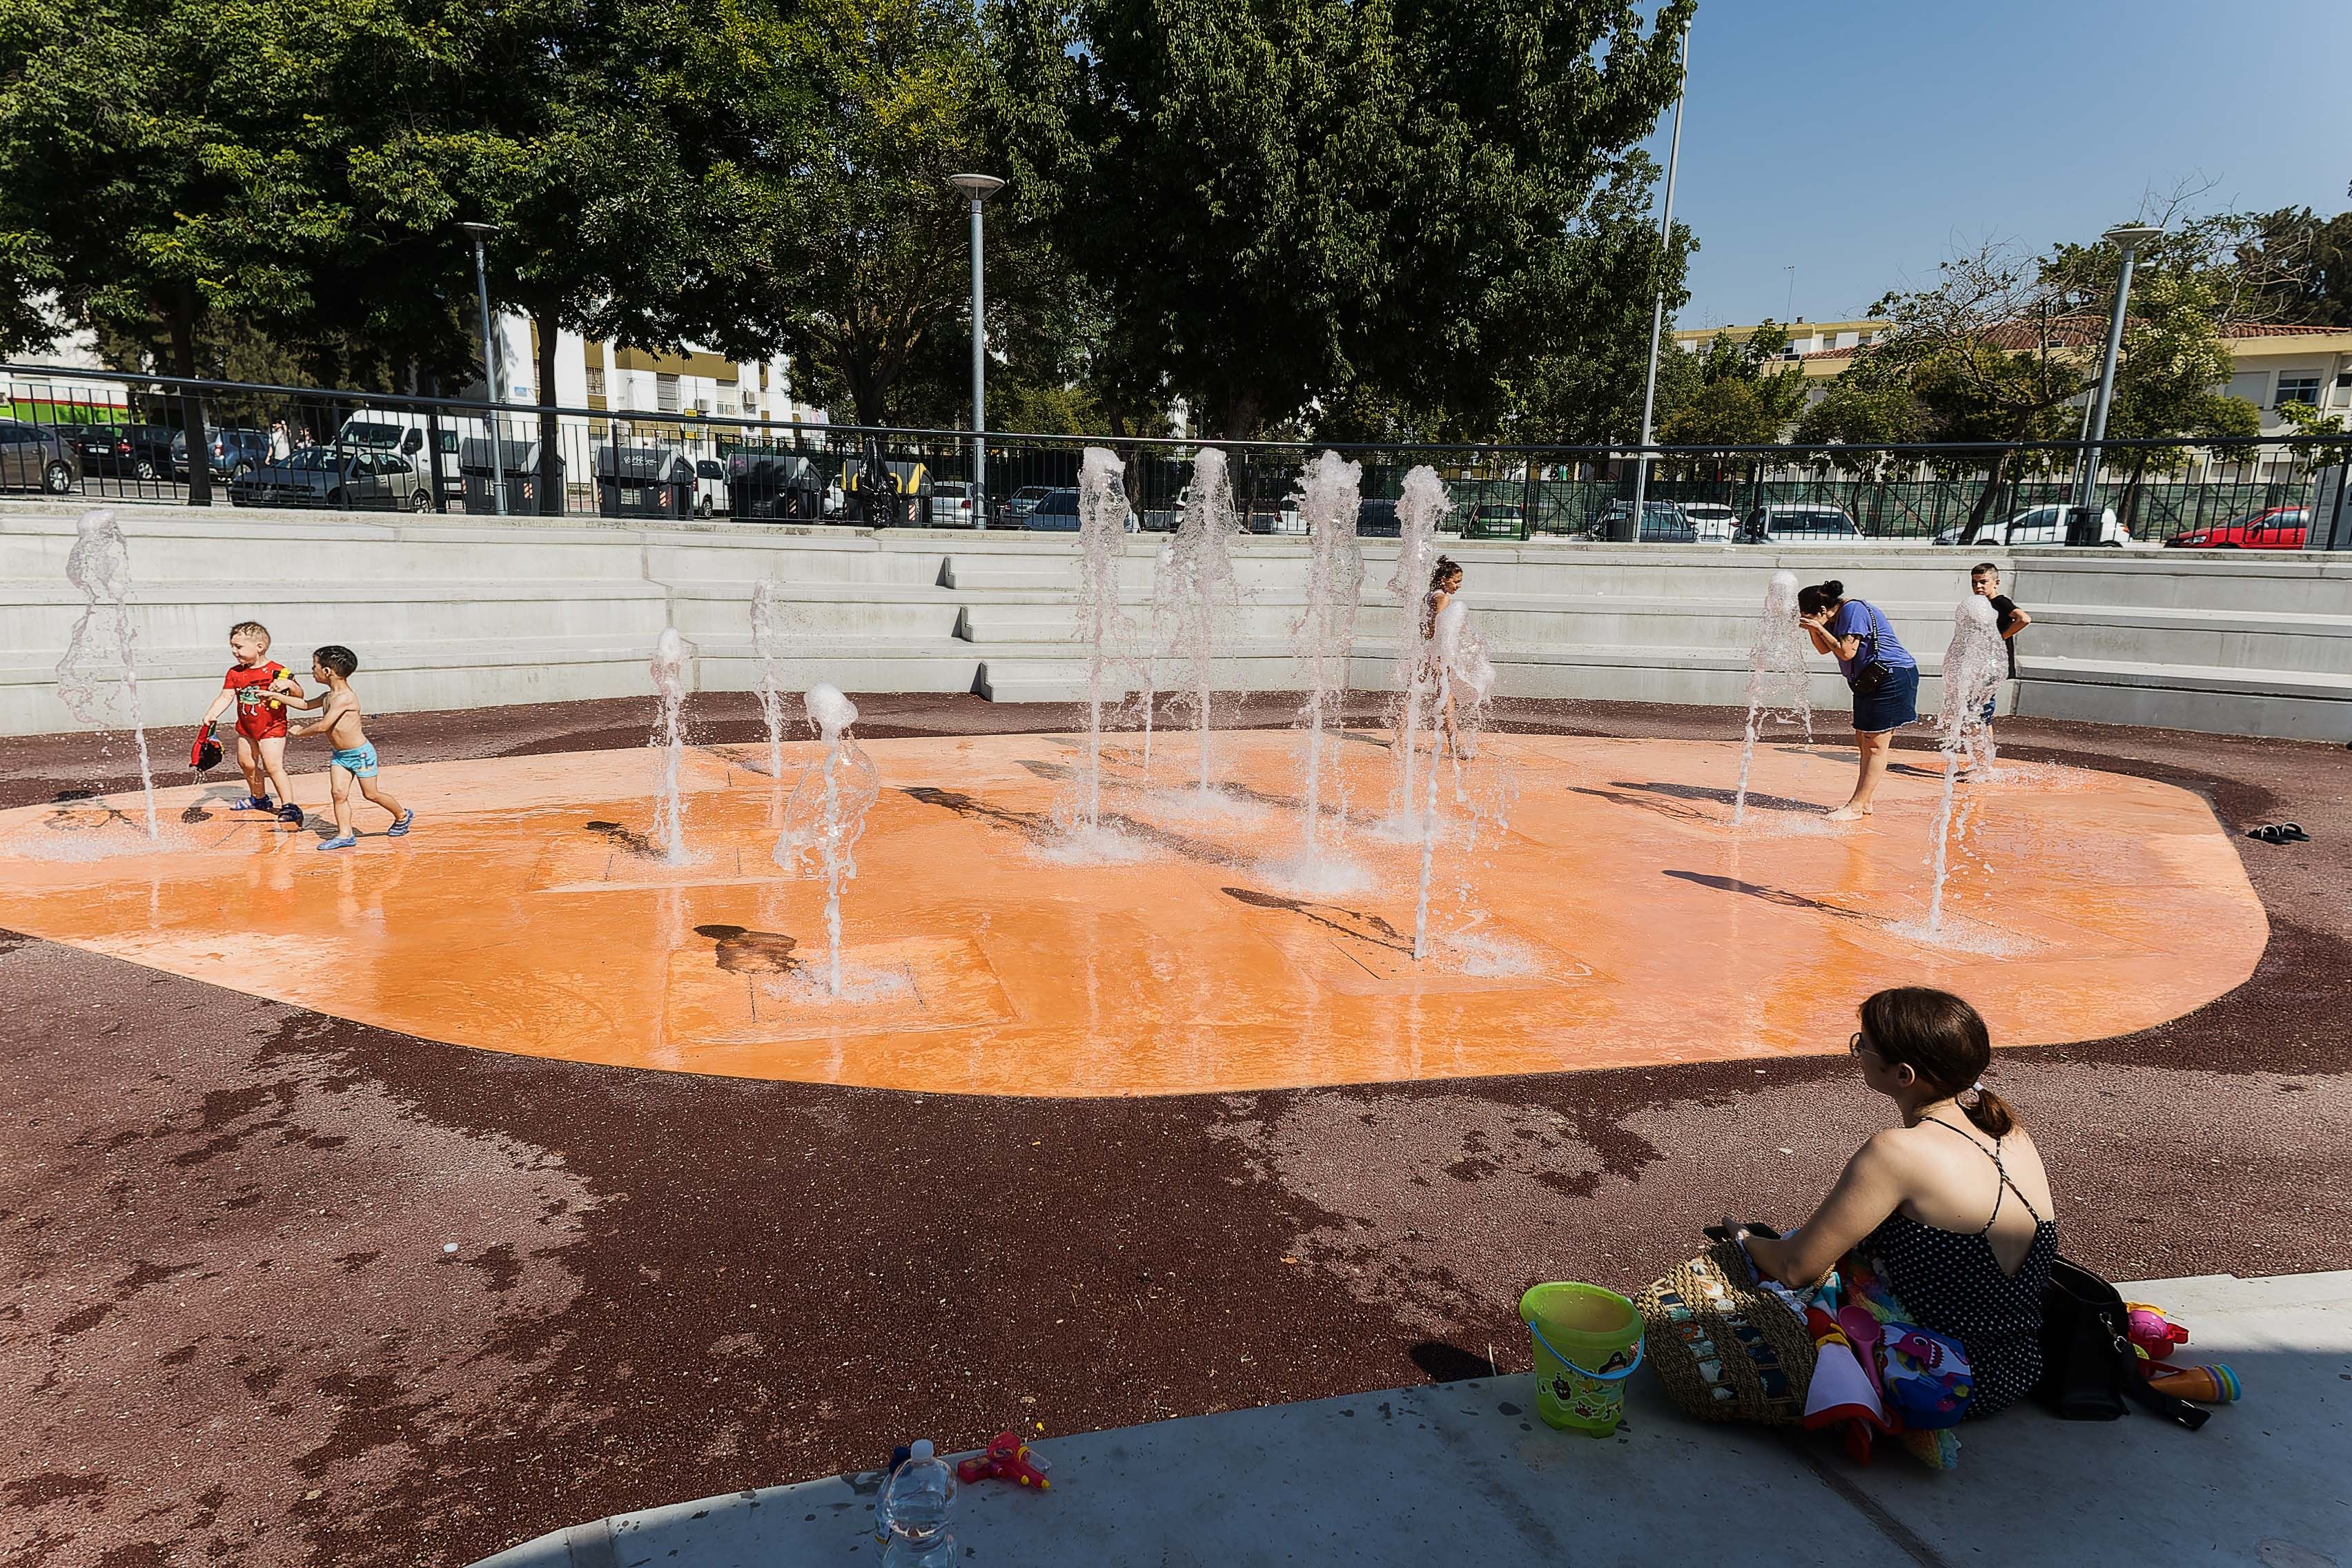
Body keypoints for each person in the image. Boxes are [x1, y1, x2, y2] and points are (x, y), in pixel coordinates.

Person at [1738, 987, 2056, 1418]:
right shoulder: (2012, 1136)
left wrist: (1745, 1239)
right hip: (2014, 1370)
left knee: (1748, 1280)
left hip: (1929, 1381)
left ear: (1904, 1075)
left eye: (1862, 1045)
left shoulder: (1897, 1152)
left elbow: (1796, 1268)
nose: (1859, 1053)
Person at [273, 645, 414, 851]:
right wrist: (275, 696)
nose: (313, 671)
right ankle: (345, 834)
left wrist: (300, 732)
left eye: (315, 667)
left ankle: (402, 815)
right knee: (338, 793)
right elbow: (304, 704)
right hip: (341, 756)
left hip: (360, 754)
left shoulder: (345, 698)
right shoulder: (328, 696)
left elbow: (323, 726)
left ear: (327, 671)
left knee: (371, 794)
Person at [1797, 579, 1918, 820]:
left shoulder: (1853, 610)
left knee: (1875, 744)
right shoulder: (1833, 618)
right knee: (1864, 740)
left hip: (1891, 677)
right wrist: (1815, 628)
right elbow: (1824, 649)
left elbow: (1846, 651)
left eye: (1809, 616)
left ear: (1822, 610)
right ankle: (1865, 800)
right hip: (1869, 681)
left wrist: (1819, 628)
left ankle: (1856, 806)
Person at [195, 621, 304, 824]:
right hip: (246, 729)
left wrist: (289, 684)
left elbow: (299, 696)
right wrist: (212, 713)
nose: (234, 651)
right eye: (232, 647)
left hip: (272, 728)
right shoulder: (235, 673)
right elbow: (226, 696)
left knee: (273, 766)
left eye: (239, 647)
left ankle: (290, 806)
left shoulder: (276, 671)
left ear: (259, 647)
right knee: (246, 763)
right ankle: (260, 798)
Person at [1966, 562, 2030, 769]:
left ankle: (1983, 765)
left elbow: (2024, 619)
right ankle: (1981, 762)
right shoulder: (1980, 605)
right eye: (1975, 583)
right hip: (1983, 665)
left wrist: (2002, 637)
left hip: (1993, 666)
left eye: (1984, 582)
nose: (1979, 587)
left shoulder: (2000, 602)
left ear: (1996, 583)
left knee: (1980, 712)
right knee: (1979, 713)